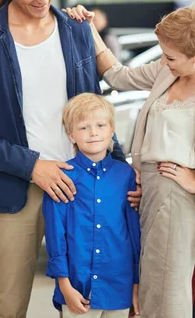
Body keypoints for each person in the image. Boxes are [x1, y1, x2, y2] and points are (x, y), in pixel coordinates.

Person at [0, 0, 138, 318]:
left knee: (90, 298)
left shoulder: (76, 31)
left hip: (83, 185)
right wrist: (33, 166)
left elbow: (93, 109)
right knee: (11, 302)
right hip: (16, 189)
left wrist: (123, 171)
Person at [63, 4, 195, 317]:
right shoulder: (166, 72)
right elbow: (118, 76)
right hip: (147, 192)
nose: (164, 61)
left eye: (171, 57)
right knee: (147, 290)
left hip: (177, 201)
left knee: (167, 294)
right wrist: (90, 27)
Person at [43, 93, 140, 318]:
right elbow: (55, 235)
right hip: (77, 287)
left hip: (119, 283)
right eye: (84, 127)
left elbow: (135, 234)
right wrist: (64, 286)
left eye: (100, 125)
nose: (93, 132)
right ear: (71, 135)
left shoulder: (126, 175)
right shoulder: (61, 177)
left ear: (111, 129)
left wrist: (136, 281)